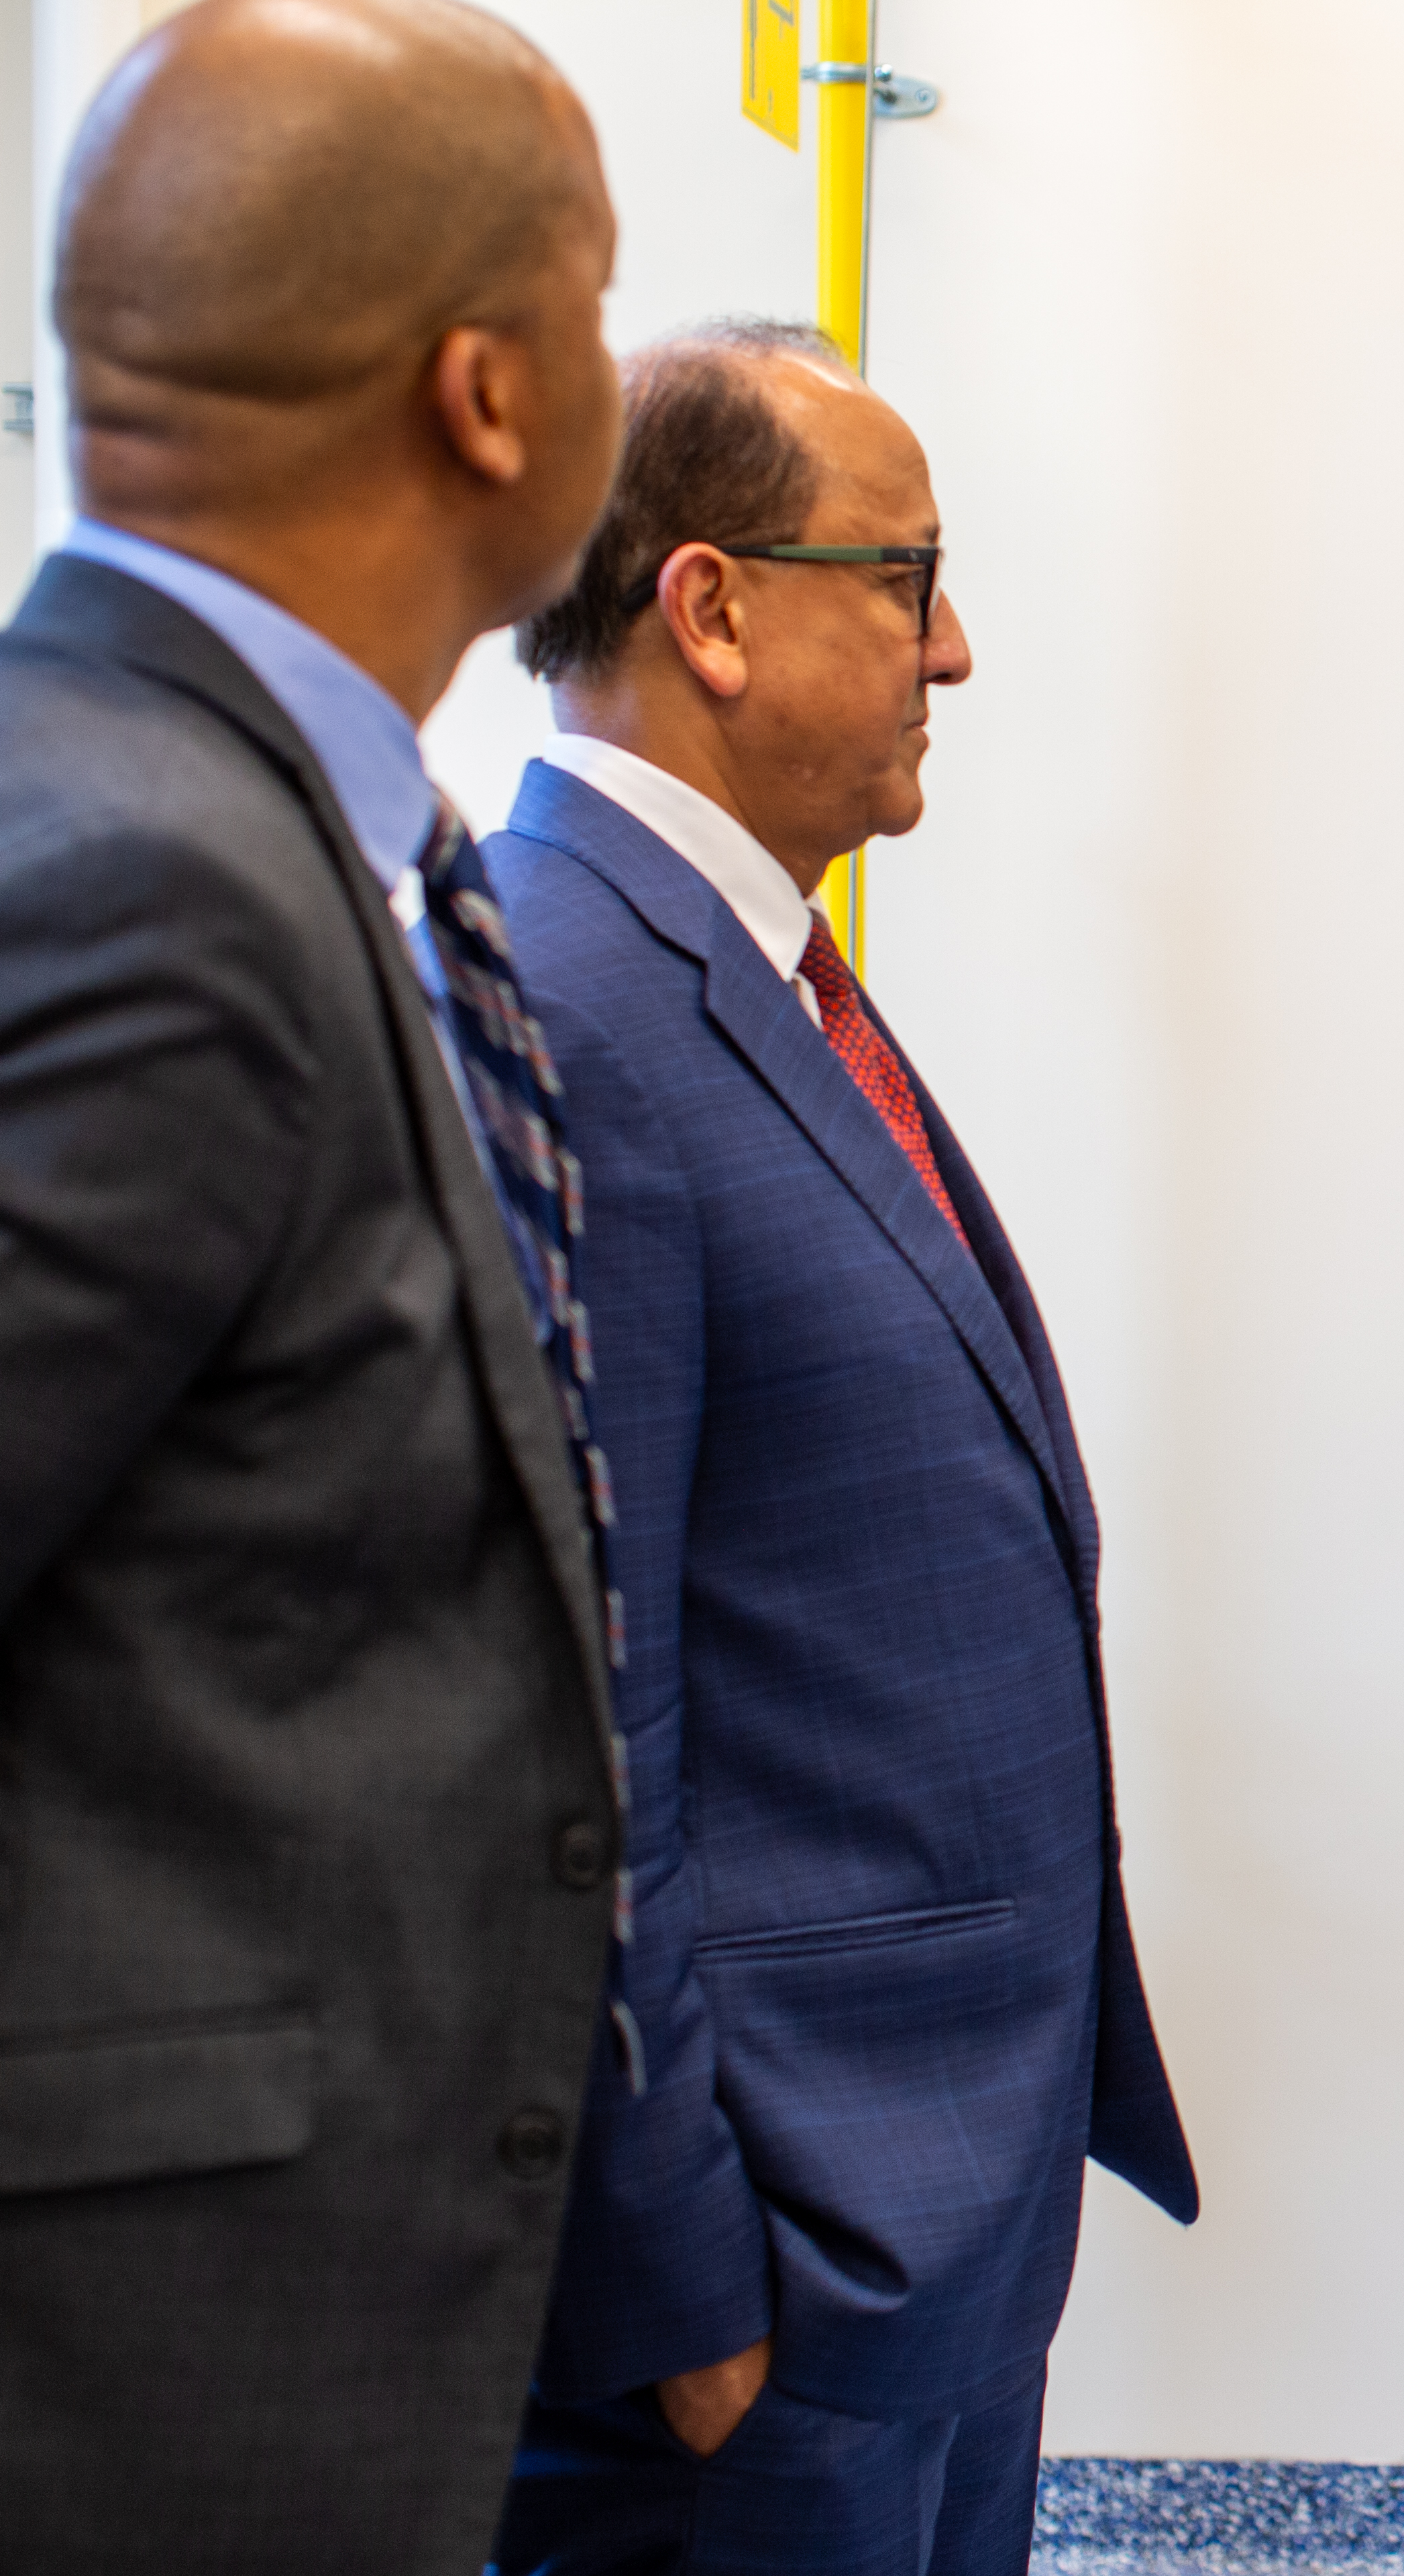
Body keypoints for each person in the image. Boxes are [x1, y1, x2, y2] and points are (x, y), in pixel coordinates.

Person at [477, 320, 1195, 2575]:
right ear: (709, 607)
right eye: (906, 580)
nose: (951, 650)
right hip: (766, 2281)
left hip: (916, 2218)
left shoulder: (743, 970)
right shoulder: (568, 1003)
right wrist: (684, 2285)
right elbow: (563, 1718)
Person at [0, 7, 631, 2569]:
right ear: (491, 394)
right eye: (604, 312)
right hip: (139, 2386)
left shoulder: (223, 826)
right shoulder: (150, 884)